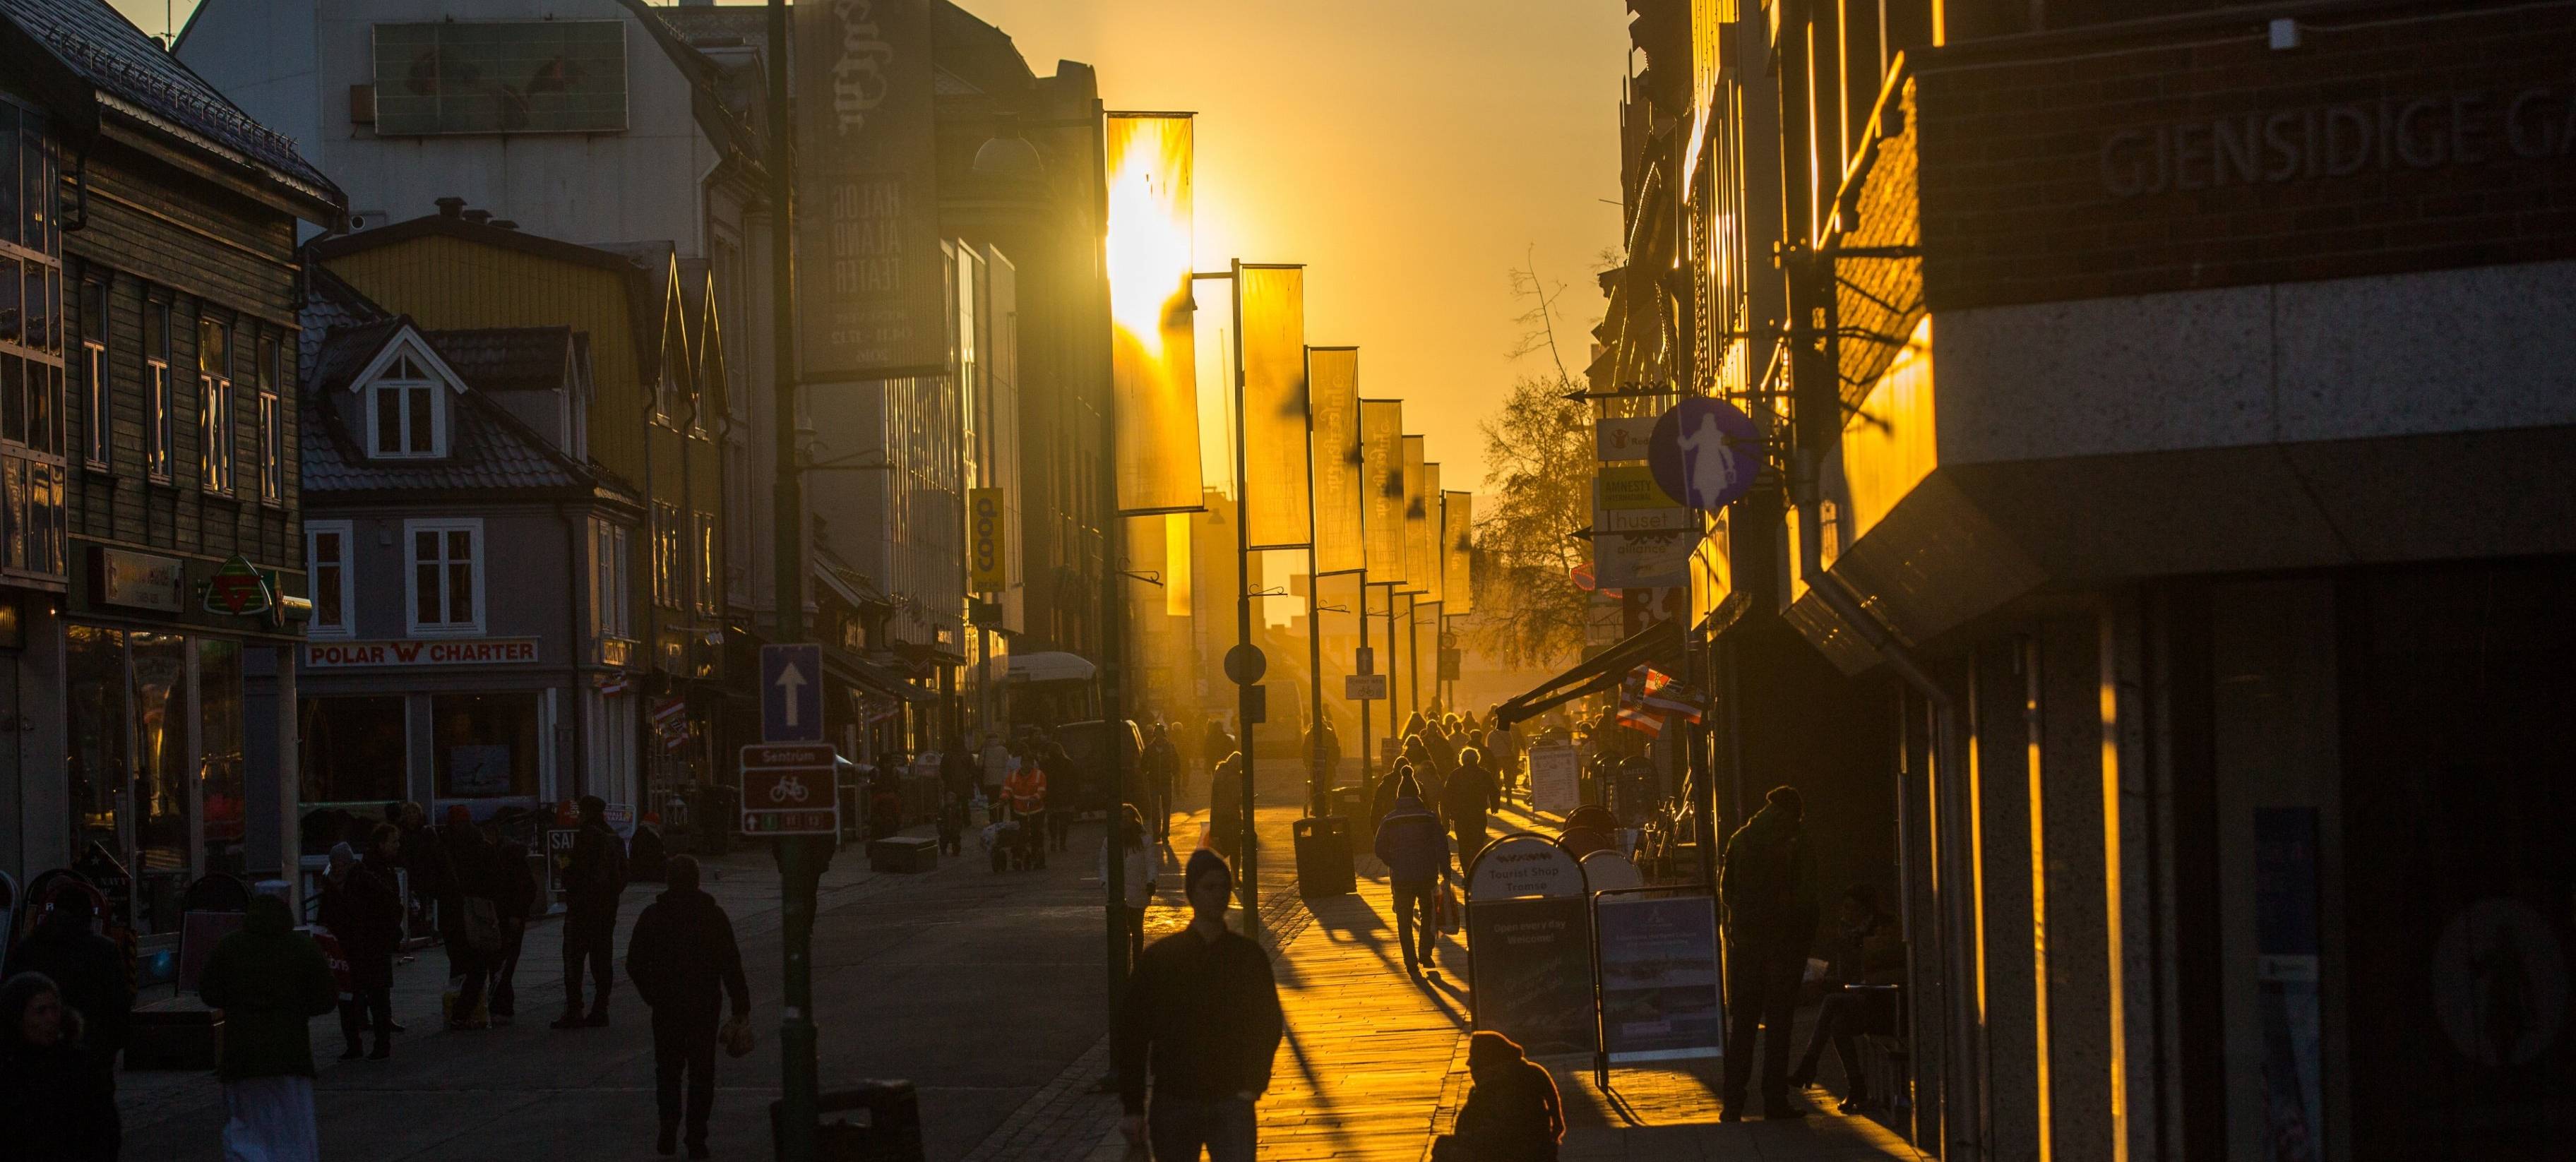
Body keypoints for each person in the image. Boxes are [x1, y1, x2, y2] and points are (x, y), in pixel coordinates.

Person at [1114, 850, 1284, 1162]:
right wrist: (1133, 1107)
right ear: (1191, 892)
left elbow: (1269, 1022)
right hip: (1175, 1098)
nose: (1219, 895)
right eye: (1209, 887)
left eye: (1224, 887)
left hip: (1230, 1095)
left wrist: (1254, 1082)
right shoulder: (1162, 959)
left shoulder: (1247, 957)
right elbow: (1133, 1035)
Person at [625, 856, 751, 1160]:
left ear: (669, 881)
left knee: (667, 1069)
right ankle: (697, 1135)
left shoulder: (654, 916)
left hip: (666, 1004)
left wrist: (651, 994)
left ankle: (668, 1121)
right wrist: (740, 1004)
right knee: (701, 1072)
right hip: (704, 1003)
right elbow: (730, 963)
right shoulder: (712, 916)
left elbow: (634, 962)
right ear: (697, 881)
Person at [197, 894, 337, 1162]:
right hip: (290, 1054)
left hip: (242, 1054)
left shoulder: (230, 947)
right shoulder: (301, 948)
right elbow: (326, 998)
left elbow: (208, 991)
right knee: (293, 1130)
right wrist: (297, 1009)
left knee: (246, 1130)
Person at [1717, 786, 1818, 1120]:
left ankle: (1732, 1103)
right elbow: (1807, 898)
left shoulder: (1740, 839)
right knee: (1779, 1026)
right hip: (1783, 946)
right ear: (1794, 812)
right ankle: (1774, 1100)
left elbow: (1726, 891)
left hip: (1746, 945)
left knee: (1743, 1025)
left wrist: (1743, 924)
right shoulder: (1797, 842)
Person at [1787, 886, 1904, 1113]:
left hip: (1888, 1003)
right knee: (1838, 1024)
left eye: (1851, 908)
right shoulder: (1847, 934)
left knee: (1832, 1003)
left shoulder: (1880, 931)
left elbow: (1876, 970)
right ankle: (1855, 1086)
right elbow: (1848, 979)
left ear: (1865, 910)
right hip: (1863, 999)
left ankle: (1809, 1065)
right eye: (1844, 908)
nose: (1846, 913)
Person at [0, 971, 120, 1161]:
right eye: (40, 1011)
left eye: (55, 1009)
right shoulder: (8, 1067)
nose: (51, 1018)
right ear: (17, 1017)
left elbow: (104, 1126)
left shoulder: (78, 1063)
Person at [1430, 1031, 1566, 1162]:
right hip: (1511, 1150)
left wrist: (1464, 1140)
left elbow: (1505, 1132)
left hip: (1517, 1154)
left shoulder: (1512, 1085)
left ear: (1488, 1062)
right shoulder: (1502, 1081)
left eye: (1473, 1057)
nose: (1468, 1063)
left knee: (1449, 1150)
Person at [1371, 772, 1452, 978]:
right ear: (1418, 795)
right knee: (1429, 914)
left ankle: (1410, 962)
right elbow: (1442, 846)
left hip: (1401, 877)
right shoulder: (1428, 817)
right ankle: (1425, 950)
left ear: (1398, 796)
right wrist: (1446, 872)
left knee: (1404, 921)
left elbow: (1379, 848)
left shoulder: (1390, 819)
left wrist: (1394, 861)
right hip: (1427, 874)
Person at [556, 794, 626, 1029]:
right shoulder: (613, 837)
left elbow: (576, 873)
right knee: (602, 958)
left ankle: (575, 1009)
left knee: (574, 958)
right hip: (606, 909)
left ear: (586, 812)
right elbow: (623, 875)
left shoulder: (587, 836)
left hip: (582, 909)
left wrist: (565, 869)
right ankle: (600, 1007)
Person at [436, 805, 503, 1031]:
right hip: (477, 913)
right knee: (478, 965)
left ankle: (457, 1008)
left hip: (452, 914)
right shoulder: (482, 847)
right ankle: (465, 1011)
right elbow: (494, 881)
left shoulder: (444, 848)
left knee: (458, 964)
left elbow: (434, 881)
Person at [488, 822, 540, 1026]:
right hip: (504, 916)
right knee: (503, 961)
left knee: (503, 961)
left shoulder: (509, 859)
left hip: (508, 917)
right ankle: (503, 1004)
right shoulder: (503, 857)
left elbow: (524, 889)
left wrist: (516, 914)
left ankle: (501, 1005)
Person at [1100, 804, 1157, 964]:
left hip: (1138, 891)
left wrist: (1151, 881)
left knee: (1137, 929)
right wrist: (1105, 884)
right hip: (1118, 893)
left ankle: (1137, 962)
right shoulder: (1110, 841)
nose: (1124, 821)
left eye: (1127, 817)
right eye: (1121, 818)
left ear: (1134, 819)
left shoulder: (1144, 840)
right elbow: (1104, 864)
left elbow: (1151, 862)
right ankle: (1124, 963)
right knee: (1123, 932)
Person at [1443, 747, 1500, 870]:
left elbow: (1446, 797)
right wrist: (1495, 806)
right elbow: (1494, 791)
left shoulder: (1455, 775)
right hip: (1478, 814)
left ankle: (1467, 873)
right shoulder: (1484, 774)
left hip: (1460, 816)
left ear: (1462, 760)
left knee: (1463, 845)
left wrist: (1446, 817)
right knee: (1478, 843)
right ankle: (1477, 871)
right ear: (1477, 760)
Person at [1143, 723, 1180, 843]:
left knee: (1166, 809)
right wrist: (1147, 771)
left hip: (1166, 782)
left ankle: (1165, 833)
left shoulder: (1170, 747)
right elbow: (1143, 763)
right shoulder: (1149, 748)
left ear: (1163, 734)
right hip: (1153, 782)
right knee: (1155, 809)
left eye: (1160, 734)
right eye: (1156, 734)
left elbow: (1177, 761)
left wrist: (1173, 772)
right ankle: (1156, 833)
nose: (1158, 737)